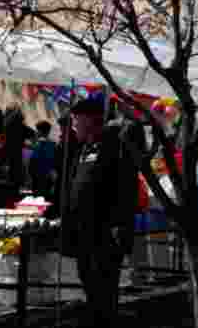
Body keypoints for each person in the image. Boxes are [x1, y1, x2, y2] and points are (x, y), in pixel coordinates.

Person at [57, 97, 141, 326]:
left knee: (104, 287)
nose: (73, 125)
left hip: (105, 232)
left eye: (76, 120)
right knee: (89, 282)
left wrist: (119, 224)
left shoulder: (114, 146)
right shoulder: (83, 148)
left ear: (91, 120)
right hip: (83, 231)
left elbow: (126, 187)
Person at [29, 121, 57, 200]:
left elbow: (34, 160)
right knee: (45, 197)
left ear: (40, 131)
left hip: (38, 176)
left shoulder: (40, 144)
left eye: (37, 130)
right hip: (47, 176)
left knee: (38, 197)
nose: (36, 132)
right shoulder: (53, 144)